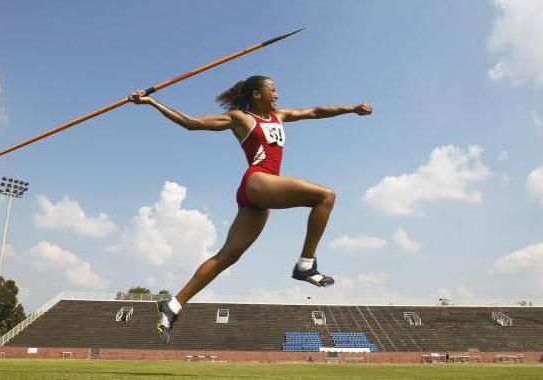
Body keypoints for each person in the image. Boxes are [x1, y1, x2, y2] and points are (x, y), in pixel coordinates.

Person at [128, 75, 372, 341]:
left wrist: (351, 109)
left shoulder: (280, 116)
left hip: (258, 198)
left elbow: (315, 111)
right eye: (273, 90)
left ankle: (173, 304)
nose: (277, 94)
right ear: (257, 94)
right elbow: (192, 123)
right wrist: (152, 102)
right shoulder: (241, 118)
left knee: (229, 255)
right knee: (325, 196)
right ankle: (305, 264)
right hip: (257, 181)